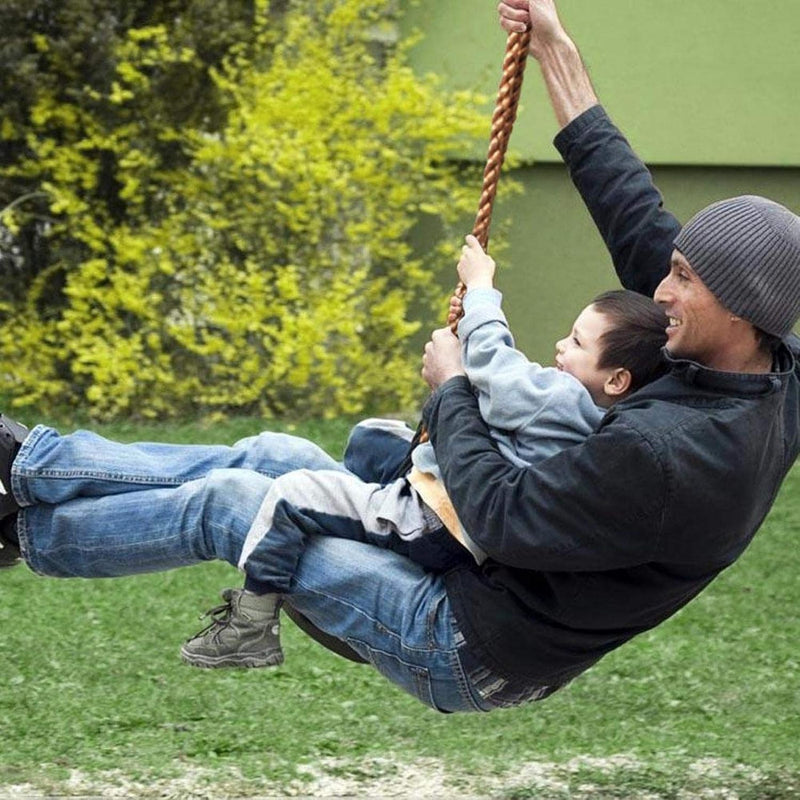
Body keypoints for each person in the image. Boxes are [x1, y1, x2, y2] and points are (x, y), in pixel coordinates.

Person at [2, 0, 800, 714]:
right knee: (272, 453)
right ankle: (29, 465)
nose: (658, 286)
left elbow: (506, 516)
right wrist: (555, 45)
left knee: (234, 503)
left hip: (467, 637)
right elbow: (629, 204)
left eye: (683, 278)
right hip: (456, 548)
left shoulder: (675, 455)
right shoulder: (750, 349)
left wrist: (454, 387)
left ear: (742, 308)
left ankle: (21, 536)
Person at [177, 234, 668, 670]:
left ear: (616, 379)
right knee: (374, 436)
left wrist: (481, 287)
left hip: (433, 518)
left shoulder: (559, 398)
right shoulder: (598, 428)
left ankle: (251, 624)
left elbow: (494, 363)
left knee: (290, 493)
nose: (561, 346)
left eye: (577, 342)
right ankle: (357, 524)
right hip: (458, 523)